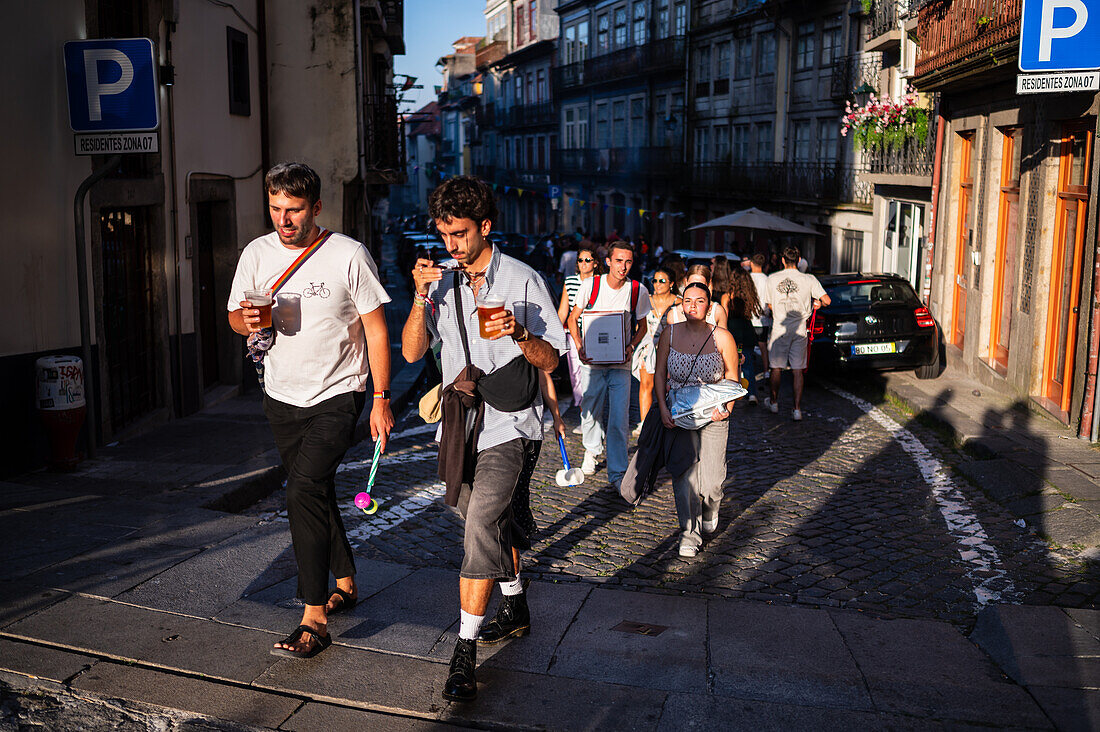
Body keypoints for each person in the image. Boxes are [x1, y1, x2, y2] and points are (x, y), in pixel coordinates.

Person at [401, 176, 566, 703]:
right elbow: (411, 353)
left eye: (461, 234)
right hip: (459, 426)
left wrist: (519, 333)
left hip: (511, 424)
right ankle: (515, 603)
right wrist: (419, 296)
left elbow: (553, 359)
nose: (451, 244)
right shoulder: (442, 283)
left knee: (479, 524)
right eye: (444, 233)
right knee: (481, 517)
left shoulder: (521, 280)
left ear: (485, 228)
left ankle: (464, 654)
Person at [228, 162, 393, 659]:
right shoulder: (257, 252)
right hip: (281, 394)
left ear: (316, 207)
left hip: (339, 393)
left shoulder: (347, 255)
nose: (284, 219)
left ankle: (314, 614)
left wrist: (382, 399)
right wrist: (247, 321)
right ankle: (346, 579)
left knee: (300, 488)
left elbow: (377, 330)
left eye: (294, 210)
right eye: (276, 209)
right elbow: (235, 316)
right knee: (315, 490)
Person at [654, 282, 740, 557]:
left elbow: (733, 378)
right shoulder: (669, 334)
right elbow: (658, 374)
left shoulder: (722, 337)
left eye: (699, 301)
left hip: (714, 413)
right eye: (687, 300)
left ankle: (711, 505)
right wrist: (662, 408)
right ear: (681, 304)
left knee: (713, 481)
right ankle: (688, 535)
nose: (692, 306)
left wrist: (726, 408)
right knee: (684, 477)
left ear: (710, 305)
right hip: (680, 414)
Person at [567, 240, 651, 489]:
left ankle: (617, 472)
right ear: (607, 261)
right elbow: (573, 319)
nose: (623, 267)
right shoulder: (590, 285)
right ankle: (592, 450)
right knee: (590, 410)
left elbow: (643, 326)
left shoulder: (637, 290)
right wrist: (580, 347)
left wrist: (631, 345)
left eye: (628, 262)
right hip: (592, 361)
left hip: (620, 363)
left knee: (619, 417)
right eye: (618, 261)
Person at [763, 246, 831, 421]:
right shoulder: (809, 279)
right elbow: (827, 300)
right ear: (799, 260)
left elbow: (768, 305)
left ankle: (774, 402)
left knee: (776, 367)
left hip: (780, 328)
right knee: (797, 370)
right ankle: (797, 409)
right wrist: (818, 305)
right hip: (801, 329)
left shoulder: (772, 279)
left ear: (783, 260)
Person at [634, 265, 680, 431]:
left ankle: (669, 418)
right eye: (655, 280)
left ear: (671, 283)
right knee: (646, 385)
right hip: (648, 347)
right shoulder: (646, 301)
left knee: (670, 386)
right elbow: (639, 325)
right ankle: (644, 423)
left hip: (671, 348)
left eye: (662, 281)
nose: (658, 284)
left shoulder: (679, 303)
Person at [558, 242, 602, 409]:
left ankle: (594, 411)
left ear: (595, 263)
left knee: (594, 374)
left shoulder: (601, 282)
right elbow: (563, 311)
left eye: (587, 260)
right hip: (574, 333)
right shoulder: (569, 282)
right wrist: (553, 335)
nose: (583, 263)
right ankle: (585, 414)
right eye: (580, 260)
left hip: (595, 333)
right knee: (576, 375)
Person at [726, 267, 763, 404]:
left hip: (732, 332)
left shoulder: (728, 296)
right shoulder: (749, 295)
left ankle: (732, 392)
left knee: (731, 364)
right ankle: (752, 393)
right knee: (747, 364)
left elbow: (724, 316)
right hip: (746, 332)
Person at [748, 253, 772, 376]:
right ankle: (766, 370)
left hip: (748, 317)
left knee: (747, 347)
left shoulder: (747, 278)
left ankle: (747, 370)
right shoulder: (767, 279)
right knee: (763, 346)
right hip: (763, 317)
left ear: (751, 263)